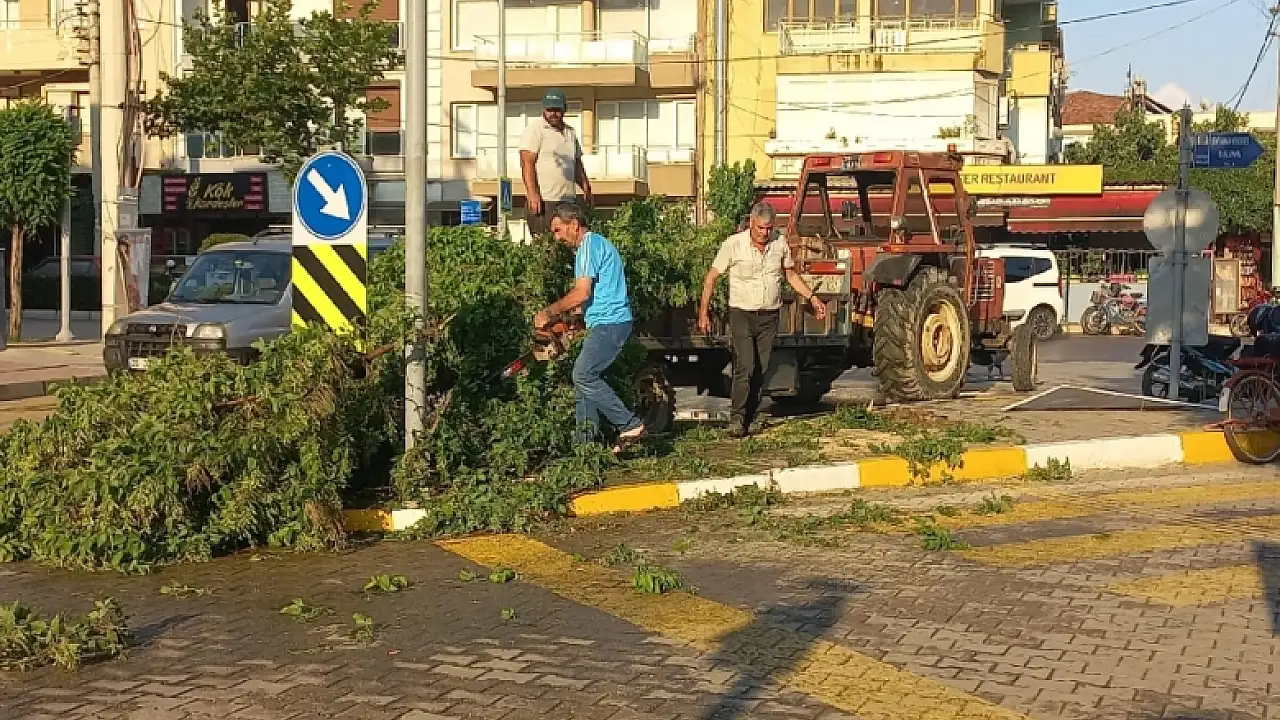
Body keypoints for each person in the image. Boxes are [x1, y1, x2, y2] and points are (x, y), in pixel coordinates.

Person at [697, 202, 828, 438]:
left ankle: (751, 416)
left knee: (762, 368)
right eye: (760, 228)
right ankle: (737, 418)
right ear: (751, 223)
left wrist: (812, 297)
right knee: (745, 366)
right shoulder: (734, 244)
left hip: (769, 316)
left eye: (768, 228)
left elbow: (790, 275)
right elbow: (711, 277)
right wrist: (703, 313)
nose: (764, 233)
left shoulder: (779, 244)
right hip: (741, 314)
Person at [534, 204, 645, 450]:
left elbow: (581, 293)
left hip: (610, 323)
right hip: (605, 322)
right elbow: (594, 295)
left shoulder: (588, 246)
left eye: (558, 230)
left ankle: (629, 424)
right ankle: (585, 447)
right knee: (585, 381)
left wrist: (548, 313)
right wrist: (572, 321)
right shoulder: (595, 245)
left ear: (574, 225)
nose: (557, 238)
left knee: (582, 375)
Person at [520, 89, 593, 236]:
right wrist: (532, 194)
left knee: (569, 241)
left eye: (557, 110)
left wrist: (586, 188)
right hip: (545, 200)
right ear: (543, 109)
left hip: (567, 200)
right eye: (549, 110)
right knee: (544, 242)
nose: (553, 113)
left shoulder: (570, 132)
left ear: (564, 109)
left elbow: (577, 163)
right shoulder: (535, 130)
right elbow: (526, 163)